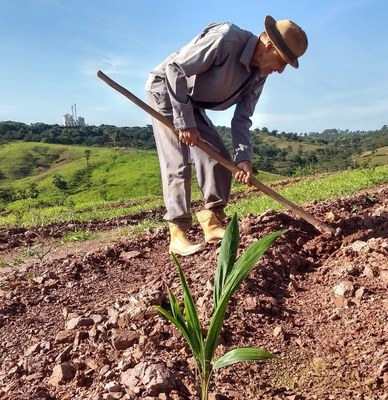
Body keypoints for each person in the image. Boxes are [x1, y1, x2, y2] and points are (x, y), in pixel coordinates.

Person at [145, 15, 308, 256]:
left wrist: (244, 158)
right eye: (282, 61)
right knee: (178, 162)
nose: (281, 70)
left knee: (218, 158)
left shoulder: (259, 76)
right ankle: (178, 234)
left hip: (191, 101)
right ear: (270, 46)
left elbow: (242, 119)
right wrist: (184, 122)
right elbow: (175, 69)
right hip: (167, 92)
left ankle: (212, 220)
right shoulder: (226, 39)